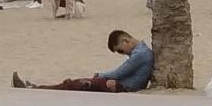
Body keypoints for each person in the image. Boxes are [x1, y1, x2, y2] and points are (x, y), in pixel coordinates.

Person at [14, 30, 153, 92]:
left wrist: (100, 75)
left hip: (123, 87)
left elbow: (119, 73)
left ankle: (35, 89)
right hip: (121, 84)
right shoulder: (141, 52)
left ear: (126, 41)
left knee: (79, 84)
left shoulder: (140, 54)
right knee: (76, 84)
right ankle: (37, 88)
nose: (122, 54)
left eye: (120, 50)